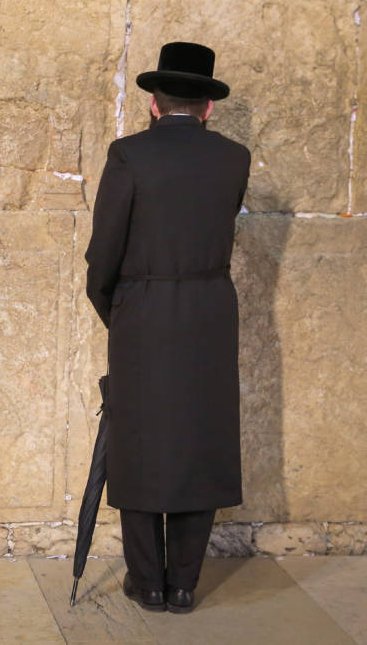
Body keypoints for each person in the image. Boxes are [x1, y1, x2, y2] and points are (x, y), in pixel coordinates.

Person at [85, 42, 250, 614]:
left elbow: (102, 255)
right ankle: (184, 585)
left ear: (154, 103)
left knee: (140, 442)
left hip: (143, 311)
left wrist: (120, 313)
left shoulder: (128, 155)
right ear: (208, 107)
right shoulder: (235, 158)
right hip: (210, 311)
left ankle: (147, 582)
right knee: (198, 441)